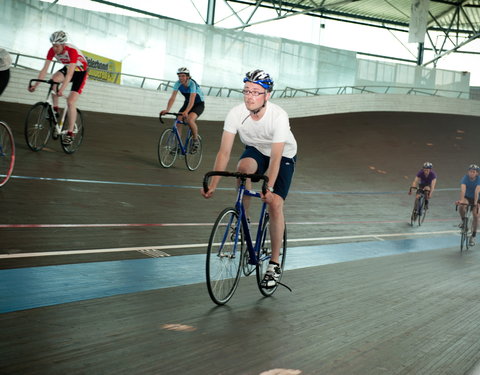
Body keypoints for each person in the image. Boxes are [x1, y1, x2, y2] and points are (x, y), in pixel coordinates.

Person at [201, 69, 297, 289]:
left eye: (256, 92)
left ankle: (274, 264)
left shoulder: (278, 116)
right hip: (255, 150)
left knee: (274, 202)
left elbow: (274, 158)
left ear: (267, 96)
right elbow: (224, 152)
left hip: (282, 156)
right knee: (242, 168)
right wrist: (213, 185)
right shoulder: (236, 113)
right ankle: (243, 216)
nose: (249, 96)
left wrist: (269, 187)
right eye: (246, 91)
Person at [28, 31, 88, 145]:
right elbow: (45, 69)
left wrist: (62, 90)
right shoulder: (51, 50)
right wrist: (36, 85)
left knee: (70, 101)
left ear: (63, 45)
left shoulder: (72, 51)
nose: (54, 48)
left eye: (57, 46)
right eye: (53, 45)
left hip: (80, 72)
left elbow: (70, 74)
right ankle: (55, 111)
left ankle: (70, 133)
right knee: (53, 80)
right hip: (69, 68)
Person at [160, 67, 204, 151]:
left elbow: (192, 99)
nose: (181, 78)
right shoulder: (177, 84)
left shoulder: (192, 84)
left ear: (187, 77)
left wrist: (186, 111)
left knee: (190, 120)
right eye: (179, 76)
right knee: (178, 121)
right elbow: (172, 97)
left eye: (183, 76)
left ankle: (195, 140)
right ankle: (178, 145)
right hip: (187, 103)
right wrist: (167, 109)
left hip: (198, 104)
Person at [456, 164, 480, 246]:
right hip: (468, 197)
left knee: (476, 215)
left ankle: (473, 236)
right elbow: (463, 190)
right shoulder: (465, 178)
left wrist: (475, 204)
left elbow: (477, 192)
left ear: (477, 173)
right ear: (468, 172)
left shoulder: (479, 179)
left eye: (473, 172)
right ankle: (464, 222)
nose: (471, 173)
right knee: (461, 206)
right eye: (470, 171)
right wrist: (461, 200)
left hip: (477, 199)